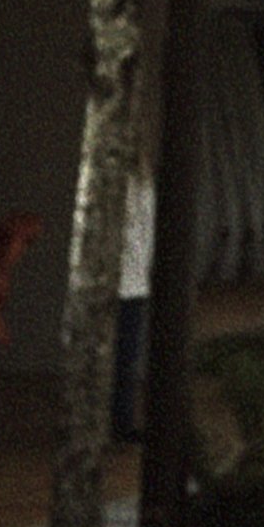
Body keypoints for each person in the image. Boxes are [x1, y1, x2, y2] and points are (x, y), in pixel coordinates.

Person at [112, 158, 156, 446]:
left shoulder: (145, 186)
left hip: (135, 282)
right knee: (120, 359)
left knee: (127, 359)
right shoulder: (114, 186)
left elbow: (147, 234)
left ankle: (122, 423)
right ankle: (116, 423)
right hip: (119, 283)